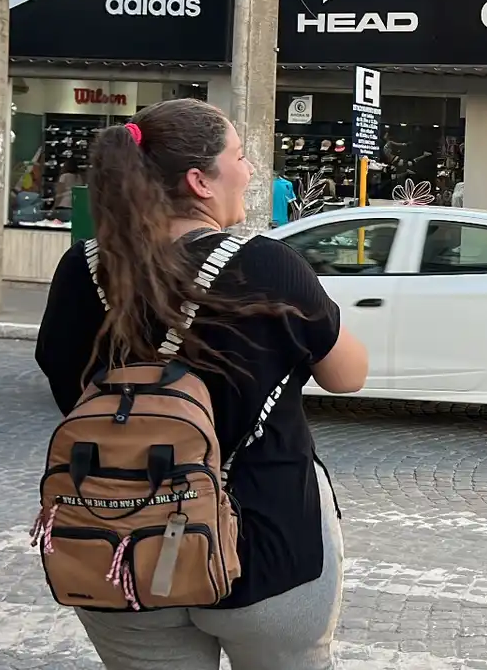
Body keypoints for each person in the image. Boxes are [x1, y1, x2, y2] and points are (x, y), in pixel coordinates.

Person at [34, 99, 369, 670]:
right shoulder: (266, 265)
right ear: (199, 181)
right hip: (266, 545)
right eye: (239, 156)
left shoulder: (81, 269)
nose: (249, 169)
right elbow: (347, 376)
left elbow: (70, 390)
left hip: (120, 547)